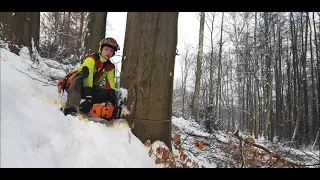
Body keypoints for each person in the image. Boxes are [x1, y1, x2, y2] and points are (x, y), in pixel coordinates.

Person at [60, 37, 120, 116]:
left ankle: (86, 108)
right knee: (79, 79)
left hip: (90, 88)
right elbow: (87, 78)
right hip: (75, 85)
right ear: (101, 49)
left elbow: (110, 83)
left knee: (107, 93)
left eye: (111, 51)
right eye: (106, 49)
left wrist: (112, 96)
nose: (108, 52)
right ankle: (70, 108)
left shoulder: (110, 67)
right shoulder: (91, 59)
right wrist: (89, 99)